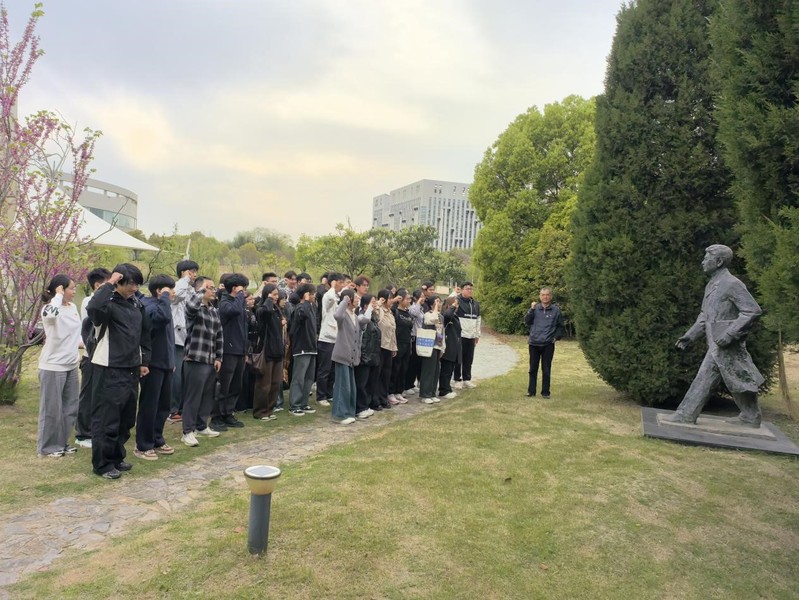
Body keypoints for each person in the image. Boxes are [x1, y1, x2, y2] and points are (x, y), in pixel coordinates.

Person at [667, 245, 765, 426]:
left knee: (706, 375)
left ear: (719, 261)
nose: (703, 262)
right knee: (737, 377)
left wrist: (730, 334)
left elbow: (752, 310)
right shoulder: (712, 284)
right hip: (716, 343)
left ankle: (686, 414)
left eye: (707, 258)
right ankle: (750, 416)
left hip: (726, 343)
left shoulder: (732, 284)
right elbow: (705, 315)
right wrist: (690, 336)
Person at [87, 264, 151, 479]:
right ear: (118, 282)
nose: (134, 288)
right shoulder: (106, 304)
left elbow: (144, 335)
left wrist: (144, 361)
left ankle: (116, 457)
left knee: (126, 419)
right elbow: (93, 307)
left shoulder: (136, 304)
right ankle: (102, 464)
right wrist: (109, 283)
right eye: (130, 283)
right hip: (109, 367)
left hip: (131, 368)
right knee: (107, 419)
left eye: (137, 284)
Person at [37, 275, 82, 458]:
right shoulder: (49, 308)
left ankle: (62, 443)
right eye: (71, 288)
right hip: (53, 366)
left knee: (70, 408)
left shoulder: (72, 307)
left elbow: (75, 334)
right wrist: (57, 296)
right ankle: (48, 447)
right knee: (51, 409)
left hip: (71, 364)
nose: (74, 291)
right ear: (61, 289)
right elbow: (50, 316)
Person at [134, 274, 176, 460]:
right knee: (149, 406)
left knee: (163, 406)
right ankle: (143, 445)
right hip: (151, 365)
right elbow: (162, 318)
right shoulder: (150, 306)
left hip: (165, 364)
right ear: (159, 290)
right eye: (169, 289)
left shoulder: (163, 305)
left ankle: (157, 438)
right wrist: (165, 298)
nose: (173, 293)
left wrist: (171, 361)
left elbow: (169, 338)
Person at [180, 276, 223, 447]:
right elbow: (191, 306)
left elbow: (219, 335)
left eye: (213, 288)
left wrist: (219, 357)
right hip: (195, 358)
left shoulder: (214, 310)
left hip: (210, 359)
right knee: (193, 396)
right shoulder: (194, 308)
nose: (213, 291)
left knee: (207, 395)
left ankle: (201, 425)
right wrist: (200, 291)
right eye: (209, 288)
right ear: (200, 290)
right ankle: (187, 431)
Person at [75, 267, 111, 448]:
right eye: (108, 283)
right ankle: (82, 434)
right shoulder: (89, 301)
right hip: (91, 357)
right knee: (88, 396)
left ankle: (96, 429)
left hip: (103, 357)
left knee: (101, 396)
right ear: (98, 285)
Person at [212, 273, 249, 431]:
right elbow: (233, 311)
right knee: (224, 385)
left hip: (240, 350)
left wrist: (246, 350)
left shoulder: (239, 303)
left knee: (236, 385)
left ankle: (228, 413)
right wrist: (240, 295)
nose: (244, 291)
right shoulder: (225, 303)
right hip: (228, 350)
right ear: (235, 288)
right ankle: (216, 416)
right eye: (243, 288)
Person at [331, 289, 368, 424]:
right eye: (355, 297)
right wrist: (345, 300)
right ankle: (340, 415)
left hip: (351, 357)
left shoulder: (354, 315)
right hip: (342, 355)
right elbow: (337, 315)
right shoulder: (343, 314)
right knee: (342, 386)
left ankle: (349, 412)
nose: (358, 299)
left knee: (350, 387)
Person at [169, 259, 199, 423]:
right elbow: (175, 297)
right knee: (176, 376)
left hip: (188, 338)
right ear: (184, 272)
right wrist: (185, 280)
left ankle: (181, 407)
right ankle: (173, 409)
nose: (194, 275)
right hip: (176, 339)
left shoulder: (190, 289)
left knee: (185, 376)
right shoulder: (177, 287)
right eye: (192, 272)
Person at [524, 287, 565, 398]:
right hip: (534, 343)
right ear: (540, 296)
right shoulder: (535, 308)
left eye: (547, 295)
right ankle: (531, 391)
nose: (545, 297)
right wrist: (531, 309)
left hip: (548, 344)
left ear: (550, 296)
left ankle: (545, 393)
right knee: (533, 369)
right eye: (543, 295)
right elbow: (527, 321)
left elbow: (560, 326)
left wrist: (556, 337)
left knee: (546, 369)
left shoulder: (556, 310)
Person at [253, 284, 284, 420]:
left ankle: (270, 409)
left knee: (275, 383)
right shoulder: (262, 309)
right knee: (264, 384)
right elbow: (265, 314)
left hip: (277, 350)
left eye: (277, 294)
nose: (276, 297)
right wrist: (269, 300)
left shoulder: (277, 310)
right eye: (273, 294)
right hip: (266, 350)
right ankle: (260, 411)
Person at [287, 283, 318, 416]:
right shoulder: (300, 308)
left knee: (309, 378)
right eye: (312, 293)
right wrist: (305, 301)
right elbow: (301, 316)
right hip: (302, 348)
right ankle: (294, 405)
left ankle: (304, 403)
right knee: (299, 378)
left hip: (312, 347)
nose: (314, 296)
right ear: (306, 294)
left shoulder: (311, 307)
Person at [317, 272, 345, 406]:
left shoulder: (337, 296)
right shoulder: (327, 295)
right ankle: (321, 396)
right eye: (340, 282)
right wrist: (333, 287)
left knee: (333, 369)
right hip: (326, 338)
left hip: (336, 338)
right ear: (334, 282)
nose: (341, 285)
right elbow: (329, 300)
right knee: (325, 369)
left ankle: (329, 393)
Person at [354, 294, 380, 418]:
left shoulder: (374, 318)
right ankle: (360, 407)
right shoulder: (361, 317)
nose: (375, 305)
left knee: (370, 382)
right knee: (361, 383)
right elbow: (365, 321)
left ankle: (366, 405)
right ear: (365, 305)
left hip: (373, 355)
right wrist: (369, 309)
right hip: (364, 355)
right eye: (372, 302)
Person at [419, 296, 445, 404]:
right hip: (429, 345)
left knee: (435, 371)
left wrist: (443, 347)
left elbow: (442, 331)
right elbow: (432, 320)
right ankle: (425, 394)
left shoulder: (441, 316)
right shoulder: (427, 314)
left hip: (438, 345)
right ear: (431, 305)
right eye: (436, 302)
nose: (439, 304)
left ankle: (432, 393)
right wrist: (435, 309)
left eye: (440, 302)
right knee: (428, 371)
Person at [454, 282, 481, 389]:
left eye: (471, 289)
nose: (470, 290)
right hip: (460, 335)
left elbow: (478, 320)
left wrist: (477, 335)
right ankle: (457, 379)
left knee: (469, 359)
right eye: (467, 289)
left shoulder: (475, 304)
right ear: (461, 290)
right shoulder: (457, 301)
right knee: (458, 359)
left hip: (471, 336)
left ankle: (467, 379)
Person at [375, 288, 398, 407]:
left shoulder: (390, 312)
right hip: (380, 346)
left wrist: (394, 346)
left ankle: (383, 398)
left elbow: (393, 330)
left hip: (389, 346)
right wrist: (379, 304)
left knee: (386, 374)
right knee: (378, 374)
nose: (392, 301)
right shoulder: (379, 310)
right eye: (390, 299)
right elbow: (378, 321)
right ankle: (376, 399)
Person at [390, 288, 413, 404]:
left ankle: (399, 391)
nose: (409, 301)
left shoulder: (408, 313)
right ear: (401, 299)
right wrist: (394, 300)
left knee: (403, 369)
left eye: (409, 299)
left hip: (407, 343)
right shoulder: (395, 311)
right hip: (398, 343)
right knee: (395, 368)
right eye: (407, 299)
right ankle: (391, 392)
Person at [439, 296, 462, 399]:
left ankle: (447, 388)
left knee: (450, 369)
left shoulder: (455, 316)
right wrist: (452, 306)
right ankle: (443, 390)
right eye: (455, 304)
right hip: (448, 346)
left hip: (454, 346)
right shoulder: (445, 315)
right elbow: (447, 315)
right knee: (446, 370)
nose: (457, 306)